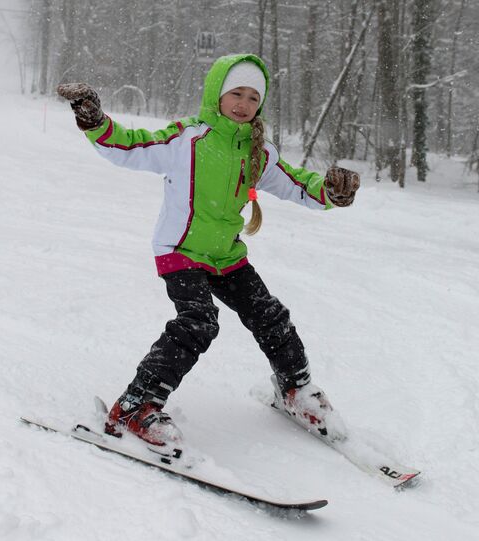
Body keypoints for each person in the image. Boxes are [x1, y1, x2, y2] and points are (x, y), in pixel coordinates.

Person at [57, 54, 359, 455]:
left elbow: (297, 184)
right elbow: (128, 146)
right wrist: (95, 121)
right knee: (199, 322)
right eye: (236, 93)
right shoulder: (187, 139)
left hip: (226, 255)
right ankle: (135, 406)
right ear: (217, 93)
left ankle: (296, 389)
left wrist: (330, 192)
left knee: (269, 314)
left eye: (253, 97)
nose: (243, 104)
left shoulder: (257, 152)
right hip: (181, 251)